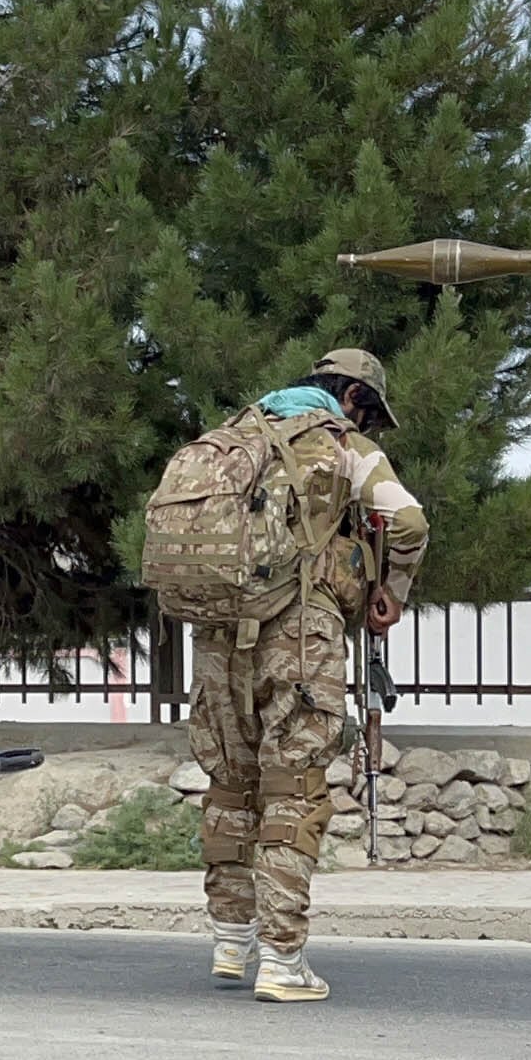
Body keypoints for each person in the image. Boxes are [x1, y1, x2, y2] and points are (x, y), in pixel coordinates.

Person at [190, 348, 424, 1004]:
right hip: (297, 637)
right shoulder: (341, 445)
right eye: (370, 413)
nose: (369, 425)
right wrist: (394, 590)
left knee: (230, 786)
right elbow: (407, 520)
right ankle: (284, 960)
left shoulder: (231, 438)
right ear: (350, 397)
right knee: (294, 788)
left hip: (216, 640)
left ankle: (230, 944)